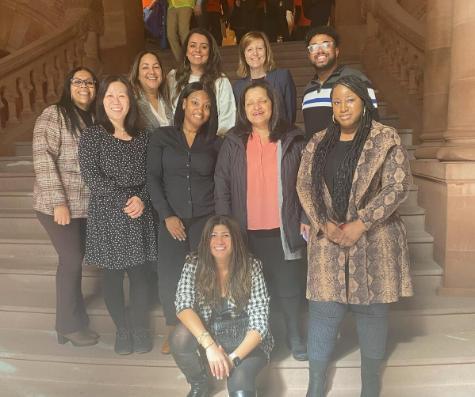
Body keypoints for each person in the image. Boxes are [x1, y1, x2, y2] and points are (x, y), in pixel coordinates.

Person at [296, 75, 414, 397]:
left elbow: (397, 186)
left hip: (374, 241)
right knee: (323, 313)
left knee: (372, 314)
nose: (343, 106)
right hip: (328, 241)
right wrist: (324, 223)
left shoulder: (384, 138)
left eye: (350, 99)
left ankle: (370, 384)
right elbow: (304, 185)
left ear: (364, 102)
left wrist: (361, 223)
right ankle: (316, 383)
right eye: (336, 101)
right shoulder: (319, 142)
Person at [215, 80, 308, 361]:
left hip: (285, 228)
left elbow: (306, 182)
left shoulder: (292, 138)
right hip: (245, 232)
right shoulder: (234, 141)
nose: (256, 107)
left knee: (290, 287)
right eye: (250, 102)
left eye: (262, 101)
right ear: (243, 109)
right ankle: (259, 337)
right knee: (254, 289)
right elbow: (222, 184)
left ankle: (294, 333)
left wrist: (305, 216)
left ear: (273, 104)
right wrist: (225, 227)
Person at [79, 75, 158, 355]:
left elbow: (153, 175)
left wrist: (142, 200)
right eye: (110, 95)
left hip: (139, 213)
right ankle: (123, 331)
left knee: (139, 276)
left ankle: (139, 328)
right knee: (112, 277)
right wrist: (126, 199)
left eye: (122, 95)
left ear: (130, 101)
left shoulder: (144, 136)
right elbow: (92, 176)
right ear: (102, 100)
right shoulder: (92, 135)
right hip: (108, 214)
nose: (116, 101)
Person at [147, 82, 220, 355]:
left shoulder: (214, 142)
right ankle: (173, 328)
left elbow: (219, 181)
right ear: (184, 104)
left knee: (204, 275)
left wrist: (217, 222)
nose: (201, 109)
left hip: (205, 218)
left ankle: (204, 329)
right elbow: (153, 178)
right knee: (170, 275)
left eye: (207, 105)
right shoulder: (162, 137)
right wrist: (166, 215)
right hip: (171, 220)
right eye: (195, 103)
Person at [170, 215, 273, 397]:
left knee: (241, 391)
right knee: (179, 336)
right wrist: (210, 347)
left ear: (235, 240)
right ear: (206, 240)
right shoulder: (194, 264)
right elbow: (183, 305)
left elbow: (260, 323)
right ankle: (199, 383)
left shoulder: (252, 267)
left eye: (225, 235)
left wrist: (232, 359)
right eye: (213, 235)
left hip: (245, 342)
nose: (219, 241)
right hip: (212, 337)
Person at [32, 67, 99, 347]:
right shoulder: (54, 114)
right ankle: (68, 325)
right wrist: (59, 202)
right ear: (68, 86)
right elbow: (43, 158)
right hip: (56, 205)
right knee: (71, 260)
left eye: (90, 82)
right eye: (78, 81)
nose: (84, 86)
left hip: (84, 206)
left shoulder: (95, 118)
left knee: (74, 260)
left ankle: (73, 320)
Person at [302, 25, 378, 139]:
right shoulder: (308, 89)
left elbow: (373, 123)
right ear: (309, 55)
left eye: (326, 44)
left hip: (350, 154)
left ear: (336, 51)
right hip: (316, 155)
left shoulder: (355, 79)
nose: (320, 50)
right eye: (313, 47)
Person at [167, 28, 236, 136]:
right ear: (186, 50)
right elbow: (167, 113)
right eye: (192, 45)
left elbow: (228, 119)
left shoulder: (220, 81)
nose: (197, 50)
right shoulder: (173, 77)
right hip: (176, 141)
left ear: (210, 52)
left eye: (203, 47)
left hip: (210, 144)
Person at [233, 31, 297, 125]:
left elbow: (290, 115)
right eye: (249, 49)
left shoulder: (282, 77)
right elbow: (241, 121)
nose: (255, 53)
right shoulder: (238, 87)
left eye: (259, 48)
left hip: (282, 137)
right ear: (243, 55)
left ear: (267, 51)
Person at [129, 50, 173, 131]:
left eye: (156, 67)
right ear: (137, 75)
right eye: (145, 67)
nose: (152, 72)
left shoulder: (167, 98)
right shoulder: (132, 103)